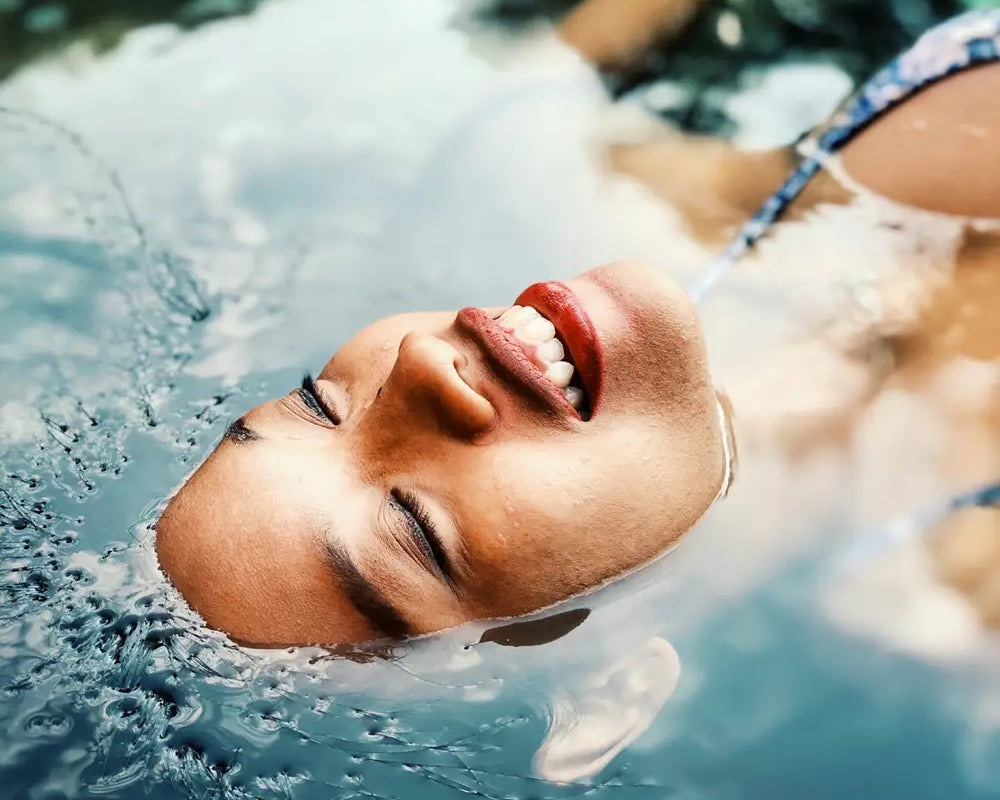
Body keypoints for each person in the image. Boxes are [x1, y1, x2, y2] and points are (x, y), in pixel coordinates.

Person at [156, 6, 1000, 646]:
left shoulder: (543, 183)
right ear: (615, 690)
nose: (417, 361)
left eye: (318, 403)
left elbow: (553, 69)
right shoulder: (958, 592)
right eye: (414, 528)